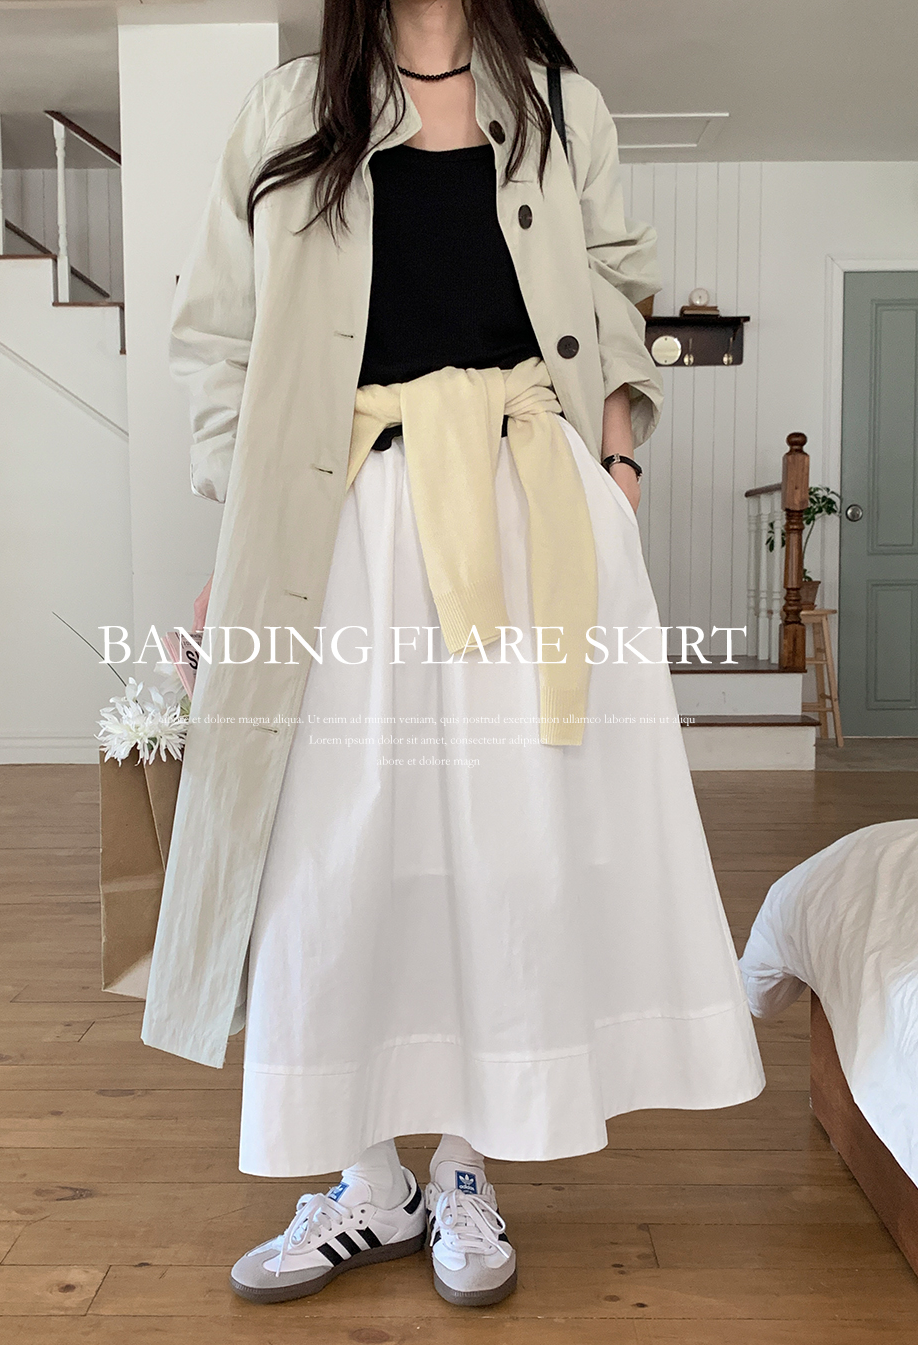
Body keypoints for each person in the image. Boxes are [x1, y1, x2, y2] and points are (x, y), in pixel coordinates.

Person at [143, 0, 766, 1310]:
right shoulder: (288, 111)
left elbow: (614, 294)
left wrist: (619, 472)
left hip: (533, 512)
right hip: (344, 520)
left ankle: (470, 1164)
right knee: (332, 855)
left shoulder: (560, 108)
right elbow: (218, 341)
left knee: (513, 842)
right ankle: (369, 1178)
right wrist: (245, 539)